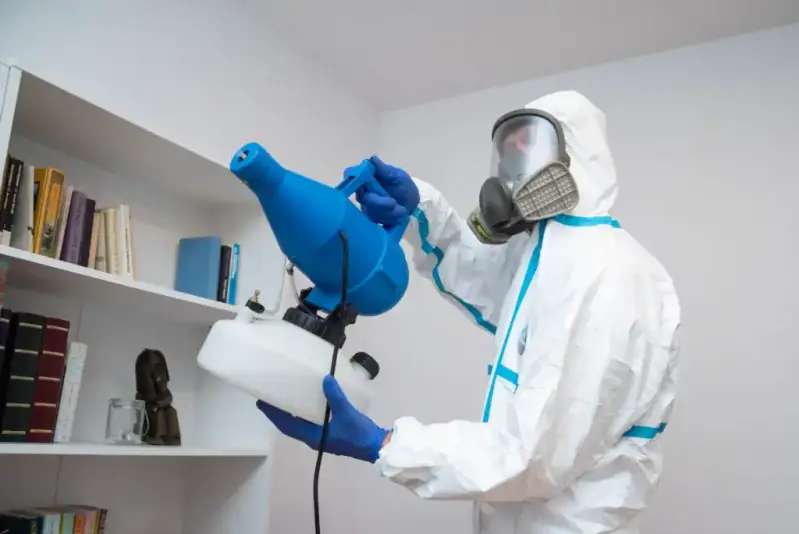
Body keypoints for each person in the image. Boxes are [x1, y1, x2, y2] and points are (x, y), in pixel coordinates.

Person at [257, 90, 681, 534]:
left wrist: (384, 444)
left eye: (530, 145)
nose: (514, 165)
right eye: (508, 152)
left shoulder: (607, 275)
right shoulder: (550, 257)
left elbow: (532, 457)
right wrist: (418, 208)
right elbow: (484, 281)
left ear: (577, 158)